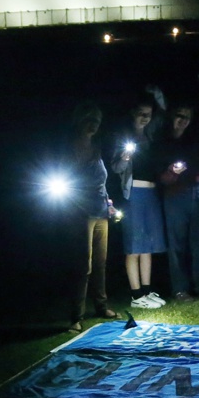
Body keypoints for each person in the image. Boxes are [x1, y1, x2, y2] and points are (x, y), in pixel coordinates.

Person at [58, 101, 118, 329]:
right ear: (80, 120)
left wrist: (108, 202)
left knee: (101, 262)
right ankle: (77, 316)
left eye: (97, 122)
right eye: (89, 120)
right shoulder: (69, 148)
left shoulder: (97, 147)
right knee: (84, 264)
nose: (93, 125)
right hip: (80, 212)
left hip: (101, 210)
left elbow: (101, 179)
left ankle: (101, 306)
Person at [155, 84, 199, 300]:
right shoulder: (163, 141)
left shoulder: (196, 137)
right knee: (176, 245)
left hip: (198, 193)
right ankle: (180, 289)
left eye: (188, 117)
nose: (183, 120)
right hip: (174, 197)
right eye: (180, 115)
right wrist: (171, 173)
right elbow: (159, 176)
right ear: (172, 116)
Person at [106, 91, 166, 307]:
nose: (144, 117)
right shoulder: (122, 138)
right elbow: (115, 168)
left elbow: (163, 114)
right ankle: (136, 295)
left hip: (151, 193)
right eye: (141, 113)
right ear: (132, 113)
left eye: (148, 114)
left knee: (148, 244)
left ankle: (147, 291)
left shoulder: (150, 136)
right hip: (133, 194)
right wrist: (124, 157)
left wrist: (156, 95)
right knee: (134, 245)